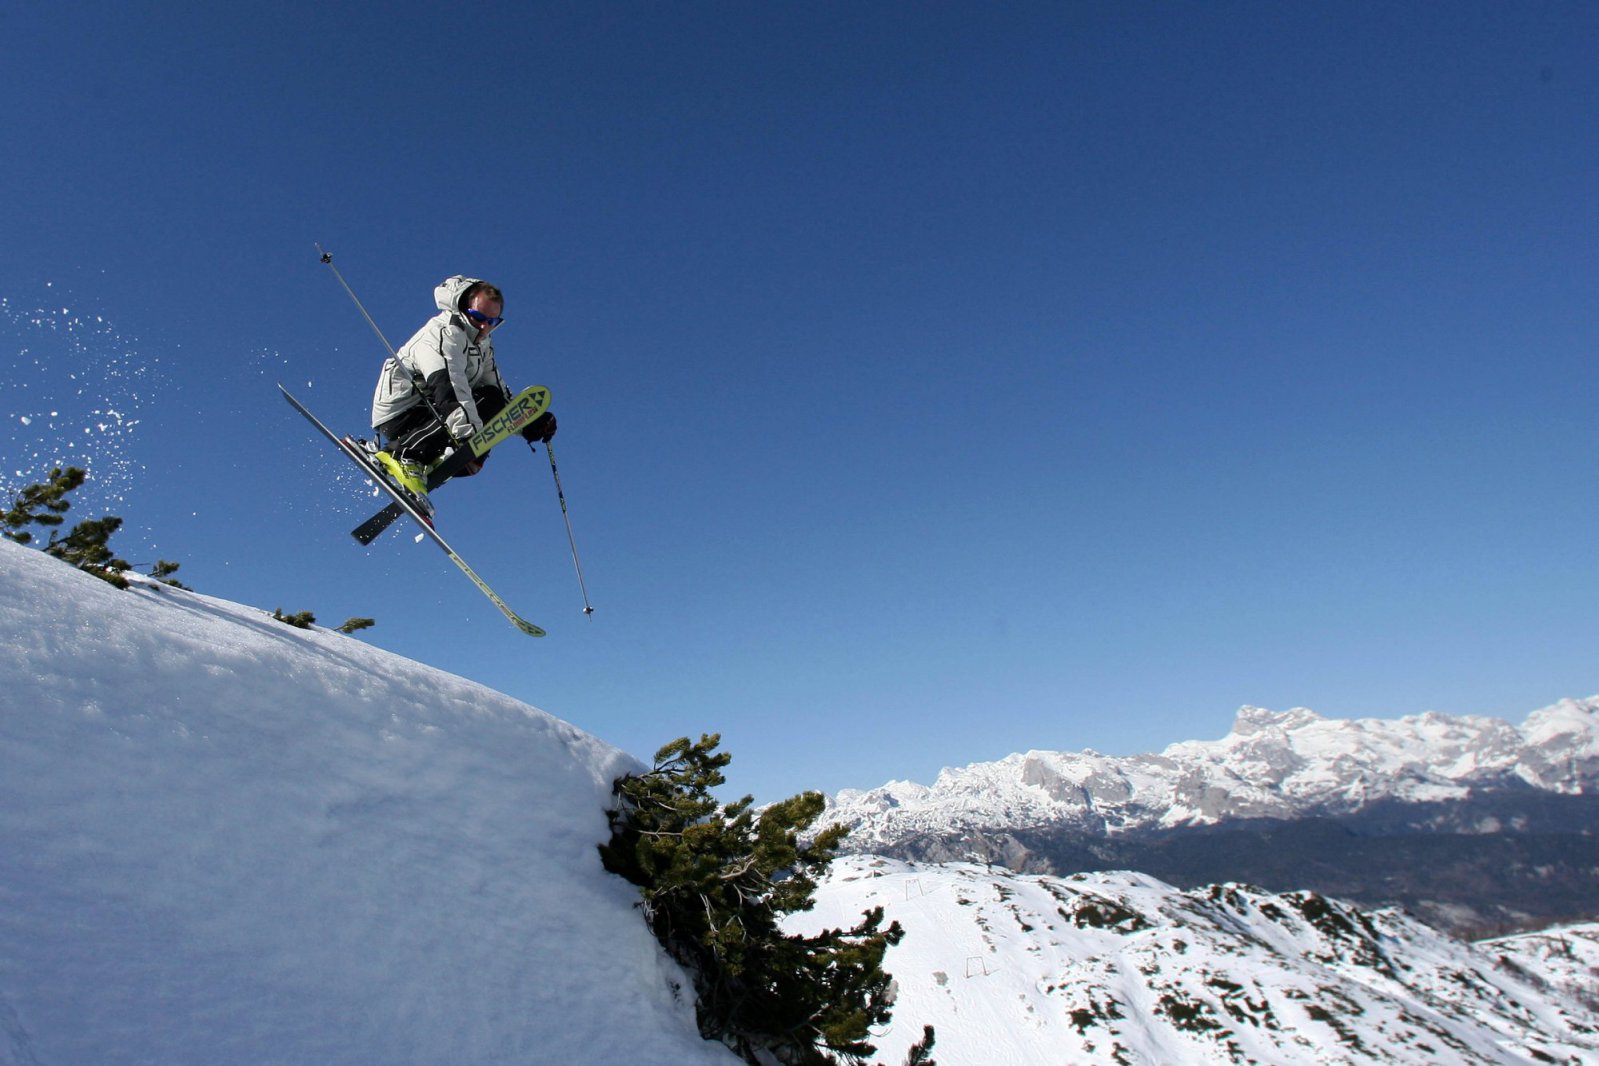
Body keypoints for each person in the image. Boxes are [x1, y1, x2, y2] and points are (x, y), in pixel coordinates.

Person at [369, 276, 555, 511]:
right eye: (479, 318)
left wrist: (528, 422)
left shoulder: (482, 345)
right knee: (473, 431)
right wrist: (469, 440)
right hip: (403, 411)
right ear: (463, 308)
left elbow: (496, 391)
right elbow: (448, 387)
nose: (484, 326)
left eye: (492, 321)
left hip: (435, 408)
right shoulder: (443, 333)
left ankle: (428, 459)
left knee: (490, 400)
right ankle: (403, 454)